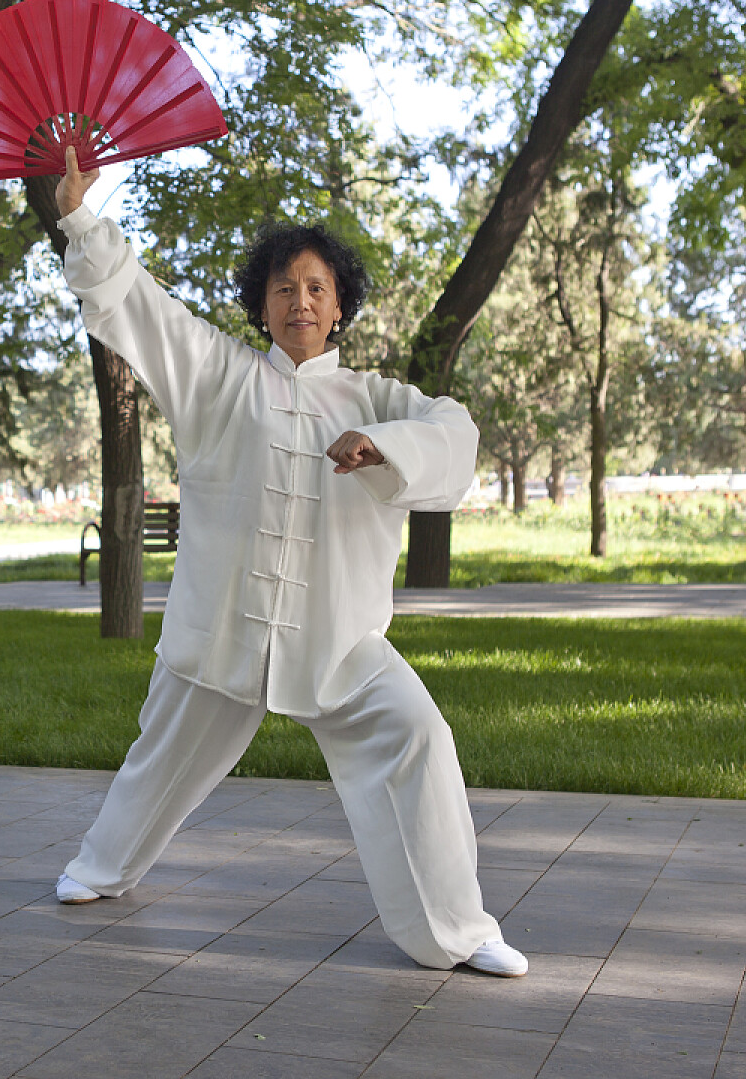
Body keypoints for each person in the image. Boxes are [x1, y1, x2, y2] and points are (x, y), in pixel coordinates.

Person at [48, 148, 526, 977]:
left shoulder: (377, 398)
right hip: (221, 629)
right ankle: (100, 868)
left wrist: (385, 446)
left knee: (417, 735)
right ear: (260, 306)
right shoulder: (217, 377)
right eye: (282, 287)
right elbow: (139, 310)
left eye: (316, 287)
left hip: (338, 643)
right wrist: (81, 216)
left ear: (339, 306)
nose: (299, 301)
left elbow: (456, 434)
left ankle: (458, 929)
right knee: (161, 758)